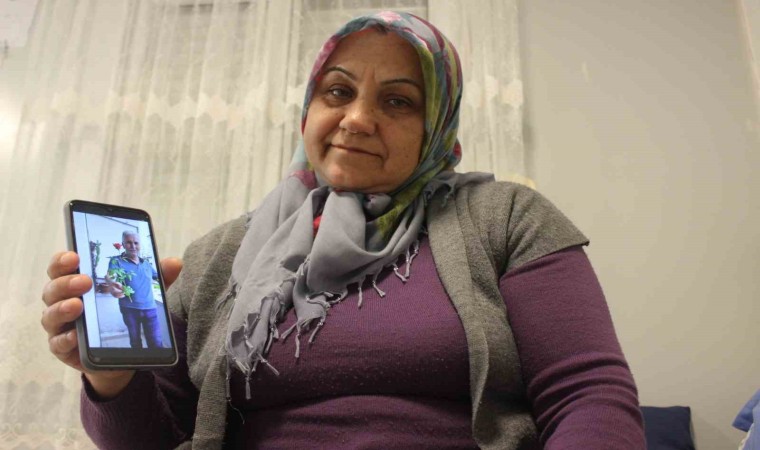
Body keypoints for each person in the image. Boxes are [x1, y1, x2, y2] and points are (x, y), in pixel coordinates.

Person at [40, 11, 646, 449]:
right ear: (309, 110)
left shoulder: (507, 217)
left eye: (398, 102)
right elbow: (154, 438)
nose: (356, 119)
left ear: (437, 125)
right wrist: (110, 378)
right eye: (338, 91)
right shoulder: (217, 256)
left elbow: (588, 395)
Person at [105, 230, 164, 348]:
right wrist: (111, 284)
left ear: (139, 245)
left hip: (150, 308)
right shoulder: (116, 261)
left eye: (136, 243)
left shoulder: (146, 263)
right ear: (123, 244)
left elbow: (159, 278)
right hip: (129, 309)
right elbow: (110, 276)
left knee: (156, 343)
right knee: (135, 341)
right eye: (129, 242)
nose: (133, 246)